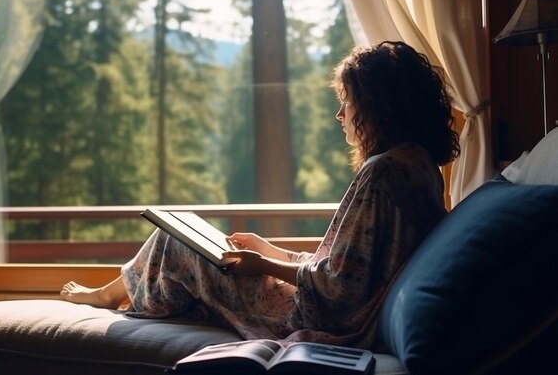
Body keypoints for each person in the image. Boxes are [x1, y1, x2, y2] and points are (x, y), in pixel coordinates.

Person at [61, 41, 460, 348]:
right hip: (336, 312)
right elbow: (347, 266)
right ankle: (125, 295)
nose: (341, 115)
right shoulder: (419, 165)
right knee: (195, 244)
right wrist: (271, 251)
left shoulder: (382, 173)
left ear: (376, 107)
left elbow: (338, 284)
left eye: (347, 102)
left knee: (173, 237)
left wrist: (262, 266)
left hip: (315, 318)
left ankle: (105, 296)